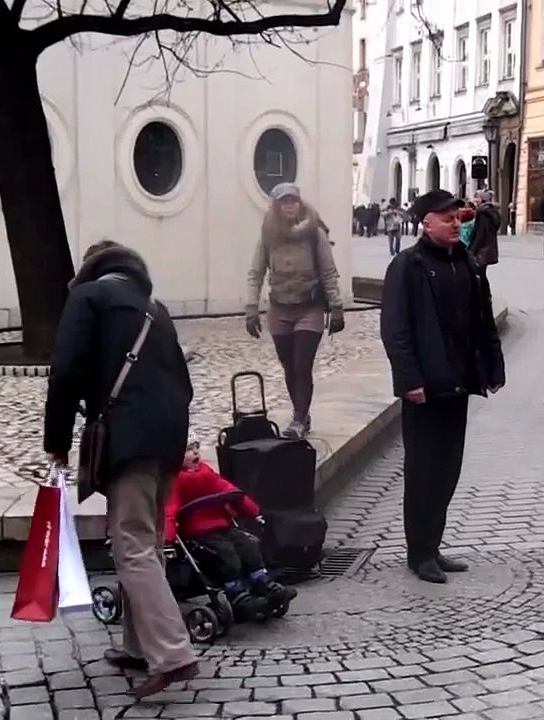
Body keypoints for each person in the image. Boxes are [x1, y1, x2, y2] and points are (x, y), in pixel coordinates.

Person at [44, 240, 199, 697]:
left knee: (131, 545)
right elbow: (183, 382)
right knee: (144, 542)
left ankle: (172, 654)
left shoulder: (88, 297)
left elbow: (66, 370)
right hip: (166, 438)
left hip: (127, 438)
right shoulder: (156, 307)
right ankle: (137, 646)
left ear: (91, 270)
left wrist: (57, 443)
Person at [380, 189, 505, 584]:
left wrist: (493, 367)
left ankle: (433, 546)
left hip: (458, 382)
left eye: (457, 218)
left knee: (449, 468)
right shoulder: (408, 265)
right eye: (446, 218)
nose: (455, 223)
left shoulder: (465, 262)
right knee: (423, 471)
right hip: (426, 388)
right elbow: (395, 330)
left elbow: (483, 319)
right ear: (425, 223)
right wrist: (409, 379)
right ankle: (419, 553)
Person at [245, 182, 345, 438]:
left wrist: (336, 307)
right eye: (283, 201)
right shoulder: (268, 235)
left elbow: (328, 271)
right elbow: (256, 273)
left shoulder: (314, 234)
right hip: (279, 308)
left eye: (293, 200)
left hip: (308, 308)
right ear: (276, 206)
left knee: (302, 364)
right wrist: (251, 308)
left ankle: (299, 419)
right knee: (288, 365)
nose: (289, 205)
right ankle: (302, 412)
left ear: (299, 203)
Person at [165, 435, 298, 620]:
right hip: (199, 531)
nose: (195, 452)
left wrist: (253, 510)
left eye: (196, 447)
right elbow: (169, 510)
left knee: (249, 544)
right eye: (189, 449)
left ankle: (262, 582)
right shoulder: (175, 481)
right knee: (227, 554)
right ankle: (237, 595)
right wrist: (168, 539)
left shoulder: (206, 472)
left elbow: (229, 490)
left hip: (222, 524)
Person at [469, 190, 502, 276]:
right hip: (488, 247)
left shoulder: (483, 213)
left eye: (477, 197)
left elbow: (481, 233)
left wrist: (472, 249)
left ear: (482, 199)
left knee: (479, 275)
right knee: (482, 274)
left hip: (482, 249)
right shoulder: (491, 211)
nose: (474, 200)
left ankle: (482, 290)